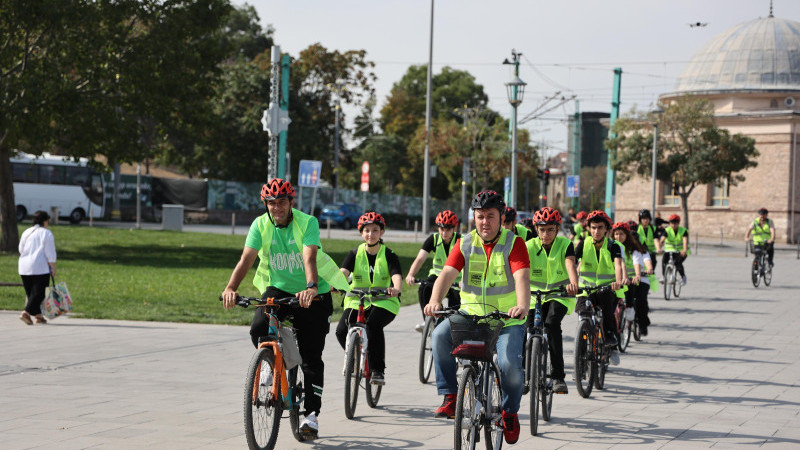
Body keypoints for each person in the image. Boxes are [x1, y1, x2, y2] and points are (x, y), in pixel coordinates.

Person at [221, 178, 333, 440]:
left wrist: (311, 286)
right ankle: (274, 362)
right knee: (259, 328)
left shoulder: (307, 222)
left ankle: (311, 416)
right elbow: (246, 258)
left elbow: (309, 256)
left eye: (281, 202)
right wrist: (230, 288)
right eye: (271, 203)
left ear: (291, 202)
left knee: (311, 355)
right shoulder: (260, 225)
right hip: (279, 288)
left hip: (313, 292)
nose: (276, 207)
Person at [424, 191, 530, 445]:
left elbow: (522, 277)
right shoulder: (465, 243)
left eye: (490, 216)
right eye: (480, 216)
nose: (485, 222)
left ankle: (509, 412)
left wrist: (522, 305)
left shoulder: (514, 243)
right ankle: (450, 396)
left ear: (501, 217)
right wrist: (435, 300)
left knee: (509, 366)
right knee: (438, 335)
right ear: (473, 218)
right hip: (471, 314)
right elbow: (447, 273)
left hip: (506, 319)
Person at [335, 212, 402, 385]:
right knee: (341, 330)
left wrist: (396, 289)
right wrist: (335, 284)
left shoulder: (388, 254)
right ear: (361, 232)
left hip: (384, 300)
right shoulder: (354, 253)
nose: (370, 234)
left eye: (375, 230)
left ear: (381, 233)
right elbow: (343, 273)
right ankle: (354, 357)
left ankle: (377, 370)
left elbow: (396, 275)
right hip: (358, 299)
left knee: (373, 325)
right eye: (366, 231)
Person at [525, 207, 579, 394]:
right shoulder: (529, 245)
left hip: (559, 295)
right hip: (533, 297)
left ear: (557, 229)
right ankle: (525, 373)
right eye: (542, 229)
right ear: (536, 229)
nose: (546, 234)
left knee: (552, 324)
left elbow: (570, 264)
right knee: (528, 329)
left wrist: (573, 284)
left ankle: (558, 377)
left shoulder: (565, 244)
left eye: (550, 230)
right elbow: (518, 269)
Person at [574, 210, 624, 365]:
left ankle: (613, 344)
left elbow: (618, 265)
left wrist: (618, 281)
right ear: (588, 228)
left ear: (606, 229)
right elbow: (573, 263)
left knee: (608, 312)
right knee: (583, 314)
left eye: (600, 228)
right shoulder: (583, 244)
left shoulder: (613, 245)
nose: (596, 231)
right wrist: (571, 281)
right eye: (593, 227)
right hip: (586, 288)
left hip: (607, 288)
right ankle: (580, 359)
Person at [405, 210, 461, 332]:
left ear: (454, 228)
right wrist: (411, 274)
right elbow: (420, 258)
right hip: (437, 276)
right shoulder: (433, 239)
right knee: (424, 288)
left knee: (455, 306)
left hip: (457, 278)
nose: (444, 233)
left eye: (448, 229)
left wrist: (465, 281)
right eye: (441, 229)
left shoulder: (461, 240)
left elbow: (469, 262)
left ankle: (452, 328)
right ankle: (428, 321)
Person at [611, 222, 654, 336]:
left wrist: (638, 275)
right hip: (620, 279)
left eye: (622, 234)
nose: (619, 237)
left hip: (638, 279)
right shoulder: (611, 246)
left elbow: (637, 263)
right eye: (616, 234)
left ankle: (642, 324)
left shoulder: (635, 250)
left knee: (641, 301)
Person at [18, 210, 57, 325]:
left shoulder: (27, 232)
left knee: (31, 294)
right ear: (45, 221)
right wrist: (53, 267)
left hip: (24, 266)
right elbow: (50, 252)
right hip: (40, 267)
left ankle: (39, 316)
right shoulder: (46, 233)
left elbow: (21, 249)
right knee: (39, 293)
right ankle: (26, 313)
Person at [659, 214, 689, 286]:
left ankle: (683, 277)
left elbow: (685, 241)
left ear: (678, 223)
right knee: (664, 261)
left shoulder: (683, 230)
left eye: (675, 223)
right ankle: (664, 276)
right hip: (669, 251)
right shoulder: (667, 230)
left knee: (677, 263)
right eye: (672, 223)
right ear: (669, 223)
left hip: (680, 251)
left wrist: (684, 250)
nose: (673, 225)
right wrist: (659, 248)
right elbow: (662, 239)